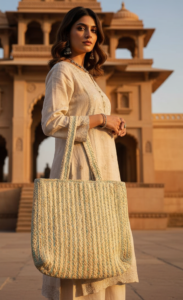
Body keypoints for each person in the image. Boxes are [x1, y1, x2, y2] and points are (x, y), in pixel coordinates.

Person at [40, 6, 139, 300]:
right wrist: (99, 120)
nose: (89, 34)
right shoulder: (62, 70)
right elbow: (50, 122)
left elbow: (92, 118)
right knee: (82, 246)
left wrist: (113, 125)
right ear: (67, 33)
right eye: (81, 28)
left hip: (104, 173)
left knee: (105, 247)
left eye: (94, 30)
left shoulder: (90, 77)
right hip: (78, 172)